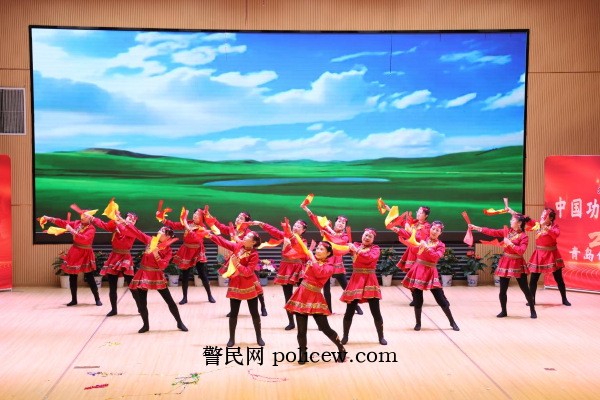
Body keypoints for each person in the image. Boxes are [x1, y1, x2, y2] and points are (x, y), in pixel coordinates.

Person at [119, 217, 188, 333]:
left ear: (168, 237)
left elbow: (163, 265)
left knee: (169, 301)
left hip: (156, 275)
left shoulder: (168, 250)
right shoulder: (150, 240)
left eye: (162, 231)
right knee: (142, 303)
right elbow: (136, 232)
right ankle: (145, 325)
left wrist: (156, 254)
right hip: (143, 274)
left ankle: (179, 322)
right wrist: (122, 221)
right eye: (160, 229)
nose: (159, 231)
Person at [285, 241, 347, 364]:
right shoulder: (311, 259)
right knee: (301, 330)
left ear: (328, 254)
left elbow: (319, 272)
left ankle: (341, 348)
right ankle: (303, 354)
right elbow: (299, 251)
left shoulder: (329, 266)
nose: (317, 251)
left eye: (321, 249)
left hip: (315, 297)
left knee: (325, 328)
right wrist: (292, 238)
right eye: (317, 248)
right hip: (302, 295)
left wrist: (312, 258)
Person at [470, 213, 538, 319]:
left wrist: (510, 243)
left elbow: (521, 251)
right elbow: (493, 232)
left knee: (524, 288)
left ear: (519, 223)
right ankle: (503, 311)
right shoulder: (508, 231)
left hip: (517, 262)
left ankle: (533, 310)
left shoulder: (524, 236)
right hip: (506, 262)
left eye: (513, 220)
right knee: (502, 289)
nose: (510, 221)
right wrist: (476, 228)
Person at [206, 230, 266, 347]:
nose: (245, 237)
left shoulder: (254, 254)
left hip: (248, 284)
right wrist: (211, 236)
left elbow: (248, 272)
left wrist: (236, 264)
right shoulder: (238, 246)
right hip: (236, 283)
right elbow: (223, 242)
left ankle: (259, 337)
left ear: (253, 242)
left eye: (248, 236)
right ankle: (231, 338)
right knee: (234, 312)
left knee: (254, 312)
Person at [301, 204, 363, 315]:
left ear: (345, 226)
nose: (340, 223)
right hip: (326, 262)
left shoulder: (344, 236)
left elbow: (339, 242)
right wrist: (306, 208)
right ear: (335, 222)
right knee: (326, 289)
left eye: (343, 223)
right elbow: (316, 220)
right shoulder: (327, 229)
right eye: (339, 221)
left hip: (337, 264)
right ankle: (328, 310)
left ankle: (356, 307)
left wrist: (329, 232)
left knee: (346, 287)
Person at [506, 207, 570, 306]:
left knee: (558, 278)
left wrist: (546, 228)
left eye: (545, 217)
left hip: (552, 254)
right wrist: (512, 212)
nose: (542, 218)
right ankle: (532, 300)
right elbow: (526, 219)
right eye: (542, 216)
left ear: (551, 218)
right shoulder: (537, 224)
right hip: (539, 254)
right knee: (533, 279)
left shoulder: (554, 226)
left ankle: (564, 299)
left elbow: (555, 235)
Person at [402, 221, 459, 331]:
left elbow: (435, 257)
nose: (434, 231)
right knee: (418, 300)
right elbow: (409, 234)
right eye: (433, 229)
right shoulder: (423, 238)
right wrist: (396, 229)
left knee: (441, 299)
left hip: (431, 272)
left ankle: (452, 322)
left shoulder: (441, 245)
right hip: (418, 270)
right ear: (430, 229)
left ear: (440, 233)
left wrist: (426, 247)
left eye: (437, 230)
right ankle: (418, 323)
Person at [254, 219, 308, 330]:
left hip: (298, 269)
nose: (295, 227)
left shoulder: (303, 241)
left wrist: (290, 236)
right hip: (286, 268)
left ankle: (307, 322)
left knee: (303, 297)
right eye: (295, 225)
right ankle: (291, 322)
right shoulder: (285, 236)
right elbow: (273, 231)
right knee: (288, 297)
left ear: (303, 230)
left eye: (299, 226)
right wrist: (261, 224)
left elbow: (301, 251)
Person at [43, 209, 101, 307]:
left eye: (85, 216)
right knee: (72, 276)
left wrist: (72, 231)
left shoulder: (91, 229)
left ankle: (97, 298)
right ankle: (74, 299)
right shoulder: (77, 223)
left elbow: (84, 239)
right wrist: (49, 218)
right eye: (82, 215)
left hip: (86, 252)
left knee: (89, 276)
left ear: (90, 218)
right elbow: (63, 223)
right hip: (75, 251)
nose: (82, 217)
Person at [340, 228, 386, 345]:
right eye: (365, 235)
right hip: (356, 280)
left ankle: (381, 336)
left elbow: (369, 257)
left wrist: (355, 250)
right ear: (362, 236)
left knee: (375, 311)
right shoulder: (355, 245)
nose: (367, 238)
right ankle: (345, 336)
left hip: (370, 280)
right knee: (349, 310)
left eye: (370, 236)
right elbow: (339, 247)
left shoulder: (375, 249)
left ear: (373, 239)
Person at [160, 208, 215, 305]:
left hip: (197, 251)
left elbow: (195, 237)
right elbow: (174, 225)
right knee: (185, 274)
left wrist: (186, 225)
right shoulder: (188, 223)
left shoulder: (202, 227)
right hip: (186, 251)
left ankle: (210, 295)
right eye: (194, 213)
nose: (195, 215)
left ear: (202, 217)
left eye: (197, 214)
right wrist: (162, 219)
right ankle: (184, 297)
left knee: (202, 274)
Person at [92, 212, 140, 316]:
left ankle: (141, 308)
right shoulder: (117, 226)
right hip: (114, 257)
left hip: (126, 257)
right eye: (129, 219)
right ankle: (114, 310)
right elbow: (104, 225)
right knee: (112, 286)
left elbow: (124, 230)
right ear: (125, 218)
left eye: (133, 220)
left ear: (135, 223)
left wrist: (118, 222)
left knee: (132, 286)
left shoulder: (133, 230)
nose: (130, 221)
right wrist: (92, 218)